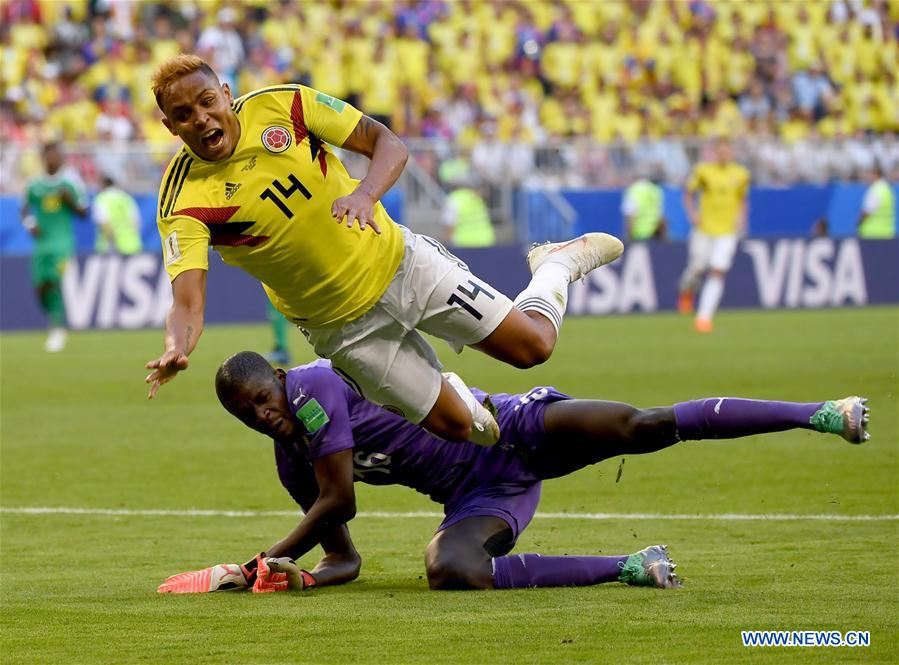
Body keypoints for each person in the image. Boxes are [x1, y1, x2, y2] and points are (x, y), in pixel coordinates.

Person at [145, 54, 624, 447]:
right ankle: (452, 392)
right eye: (185, 115)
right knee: (465, 430)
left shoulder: (285, 105)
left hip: (401, 264)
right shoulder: (183, 200)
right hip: (340, 328)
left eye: (208, 102)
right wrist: (176, 347)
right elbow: (187, 303)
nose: (202, 119)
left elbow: (386, 143)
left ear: (226, 93)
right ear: (172, 127)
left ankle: (556, 264)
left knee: (533, 348)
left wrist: (365, 195)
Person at [157, 351, 869, 594]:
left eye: (262, 401)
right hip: (481, 491)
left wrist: (257, 562)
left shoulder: (311, 384)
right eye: (247, 415)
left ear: (278, 382)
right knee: (450, 569)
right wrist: (302, 574)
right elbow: (345, 557)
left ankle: (819, 413)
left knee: (642, 427)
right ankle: (628, 565)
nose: (263, 416)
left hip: (507, 424)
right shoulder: (292, 462)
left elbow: (339, 495)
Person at [19, 142, 88, 352]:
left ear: (61, 158)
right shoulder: (34, 185)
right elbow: (23, 209)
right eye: (49, 156)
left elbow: (84, 213)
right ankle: (53, 318)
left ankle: (57, 329)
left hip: (62, 243)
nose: (52, 159)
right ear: (43, 158)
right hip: (42, 244)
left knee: (54, 281)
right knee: (40, 287)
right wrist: (30, 224)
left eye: (56, 155)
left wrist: (69, 202)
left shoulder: (71, 182)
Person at [677, 138, 750, 334]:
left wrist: (741, 219)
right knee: (697, 268)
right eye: (721, 151)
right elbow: (688, 193)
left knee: (718, 270)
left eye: (727, 151)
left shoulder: (741, 174)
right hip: (704, 229)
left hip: (727, 232)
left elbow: (742, 199)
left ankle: (704, 318)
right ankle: (686, 291)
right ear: (716, 153)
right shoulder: (703, 171)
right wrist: (692, 213)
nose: (724, 155)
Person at [92, 172, 143, 255]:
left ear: (104, 184)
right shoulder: (127, 198)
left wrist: (115, 244)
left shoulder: (101, 199)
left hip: (111, 249)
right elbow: (136, 222)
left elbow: (104, 224)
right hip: (132, 246)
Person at [621, 170, 667, 242]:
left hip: (638, 236)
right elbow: (661, 217)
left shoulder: (633, 190)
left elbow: (631, 216)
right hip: (654, 235)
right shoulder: (655, 190)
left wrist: (629, 237)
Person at [857, 163, 896, 239]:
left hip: (872, 233)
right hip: (887, 232)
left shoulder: (876, 190)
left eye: (869, 174)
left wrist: (859, 222)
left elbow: (867, 211)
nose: (867, 177)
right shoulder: (886, 188)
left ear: (875, 175)